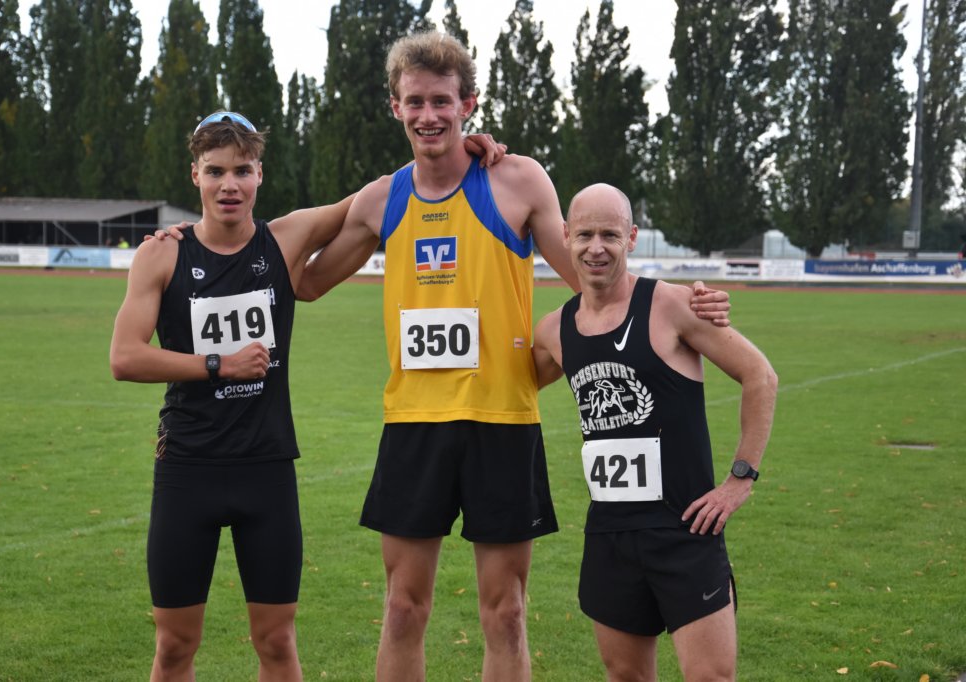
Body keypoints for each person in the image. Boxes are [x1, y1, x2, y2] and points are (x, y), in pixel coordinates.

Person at [295, 32, 733, 681]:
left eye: (442, 101)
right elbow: (305, 282)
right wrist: (338, 206)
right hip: (414, 424)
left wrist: (676, 301)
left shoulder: (517, 180)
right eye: (415, 102)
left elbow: (595, 279)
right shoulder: (382, 200)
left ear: (468, 103)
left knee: (505, 614)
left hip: (502, 423)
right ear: (395, 107)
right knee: (402, 609)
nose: (428, 115)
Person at [109, 111, 358, 681]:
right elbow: (124, 356)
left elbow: (374, 198)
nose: (230, 185)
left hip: (266, 468)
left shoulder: (286, 239)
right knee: (175, 646)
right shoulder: (162, 254)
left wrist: (460, 147)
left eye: (242, 171)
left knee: (277, 641)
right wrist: (218, 365)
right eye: (215, 171)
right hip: (188, 469)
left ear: (260, 175)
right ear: (194, 174)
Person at [532, 184, 778, 681]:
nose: (596, 247)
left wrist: (740, 479)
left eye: (610, 235)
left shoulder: (672, 305)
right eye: (585, 234)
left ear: (632, 238)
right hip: (610, 535)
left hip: (686, 529)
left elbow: (760, 376)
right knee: (625, 677)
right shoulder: (553, 330)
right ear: (565, 236)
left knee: (710, 677)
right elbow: (511, 386)